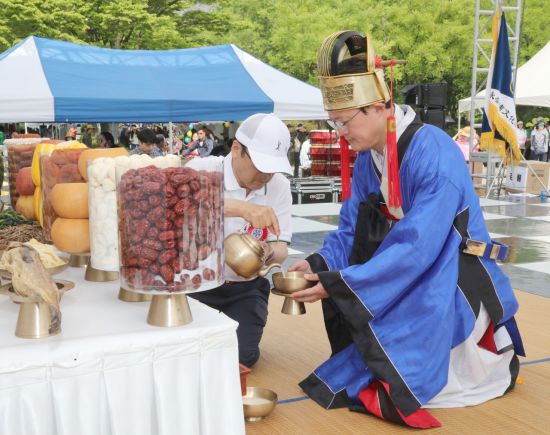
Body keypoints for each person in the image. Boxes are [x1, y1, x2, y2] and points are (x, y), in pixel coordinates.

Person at [288, 31, 523, 429]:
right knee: (365, 368)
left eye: (344, 121)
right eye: (335, 122)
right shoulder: (370, 159)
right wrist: (317, 265)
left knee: (414, 383)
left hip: (449, 272)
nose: (341, 132)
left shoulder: (434, 152)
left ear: (378, 107)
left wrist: (342, 284)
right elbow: (351, 230)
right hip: (409, 268)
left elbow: (418, 244)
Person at [190, 113, 293, 367]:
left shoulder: (279, 185)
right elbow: (176, 206)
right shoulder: (201, 170)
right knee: (187, 352)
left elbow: (282, 247)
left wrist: (267, 251)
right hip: (196, 284)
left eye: (273, 168)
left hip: (245, 288)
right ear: (236, 149)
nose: (267, 175)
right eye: (261, 165)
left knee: (242, 358)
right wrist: (240, 208)